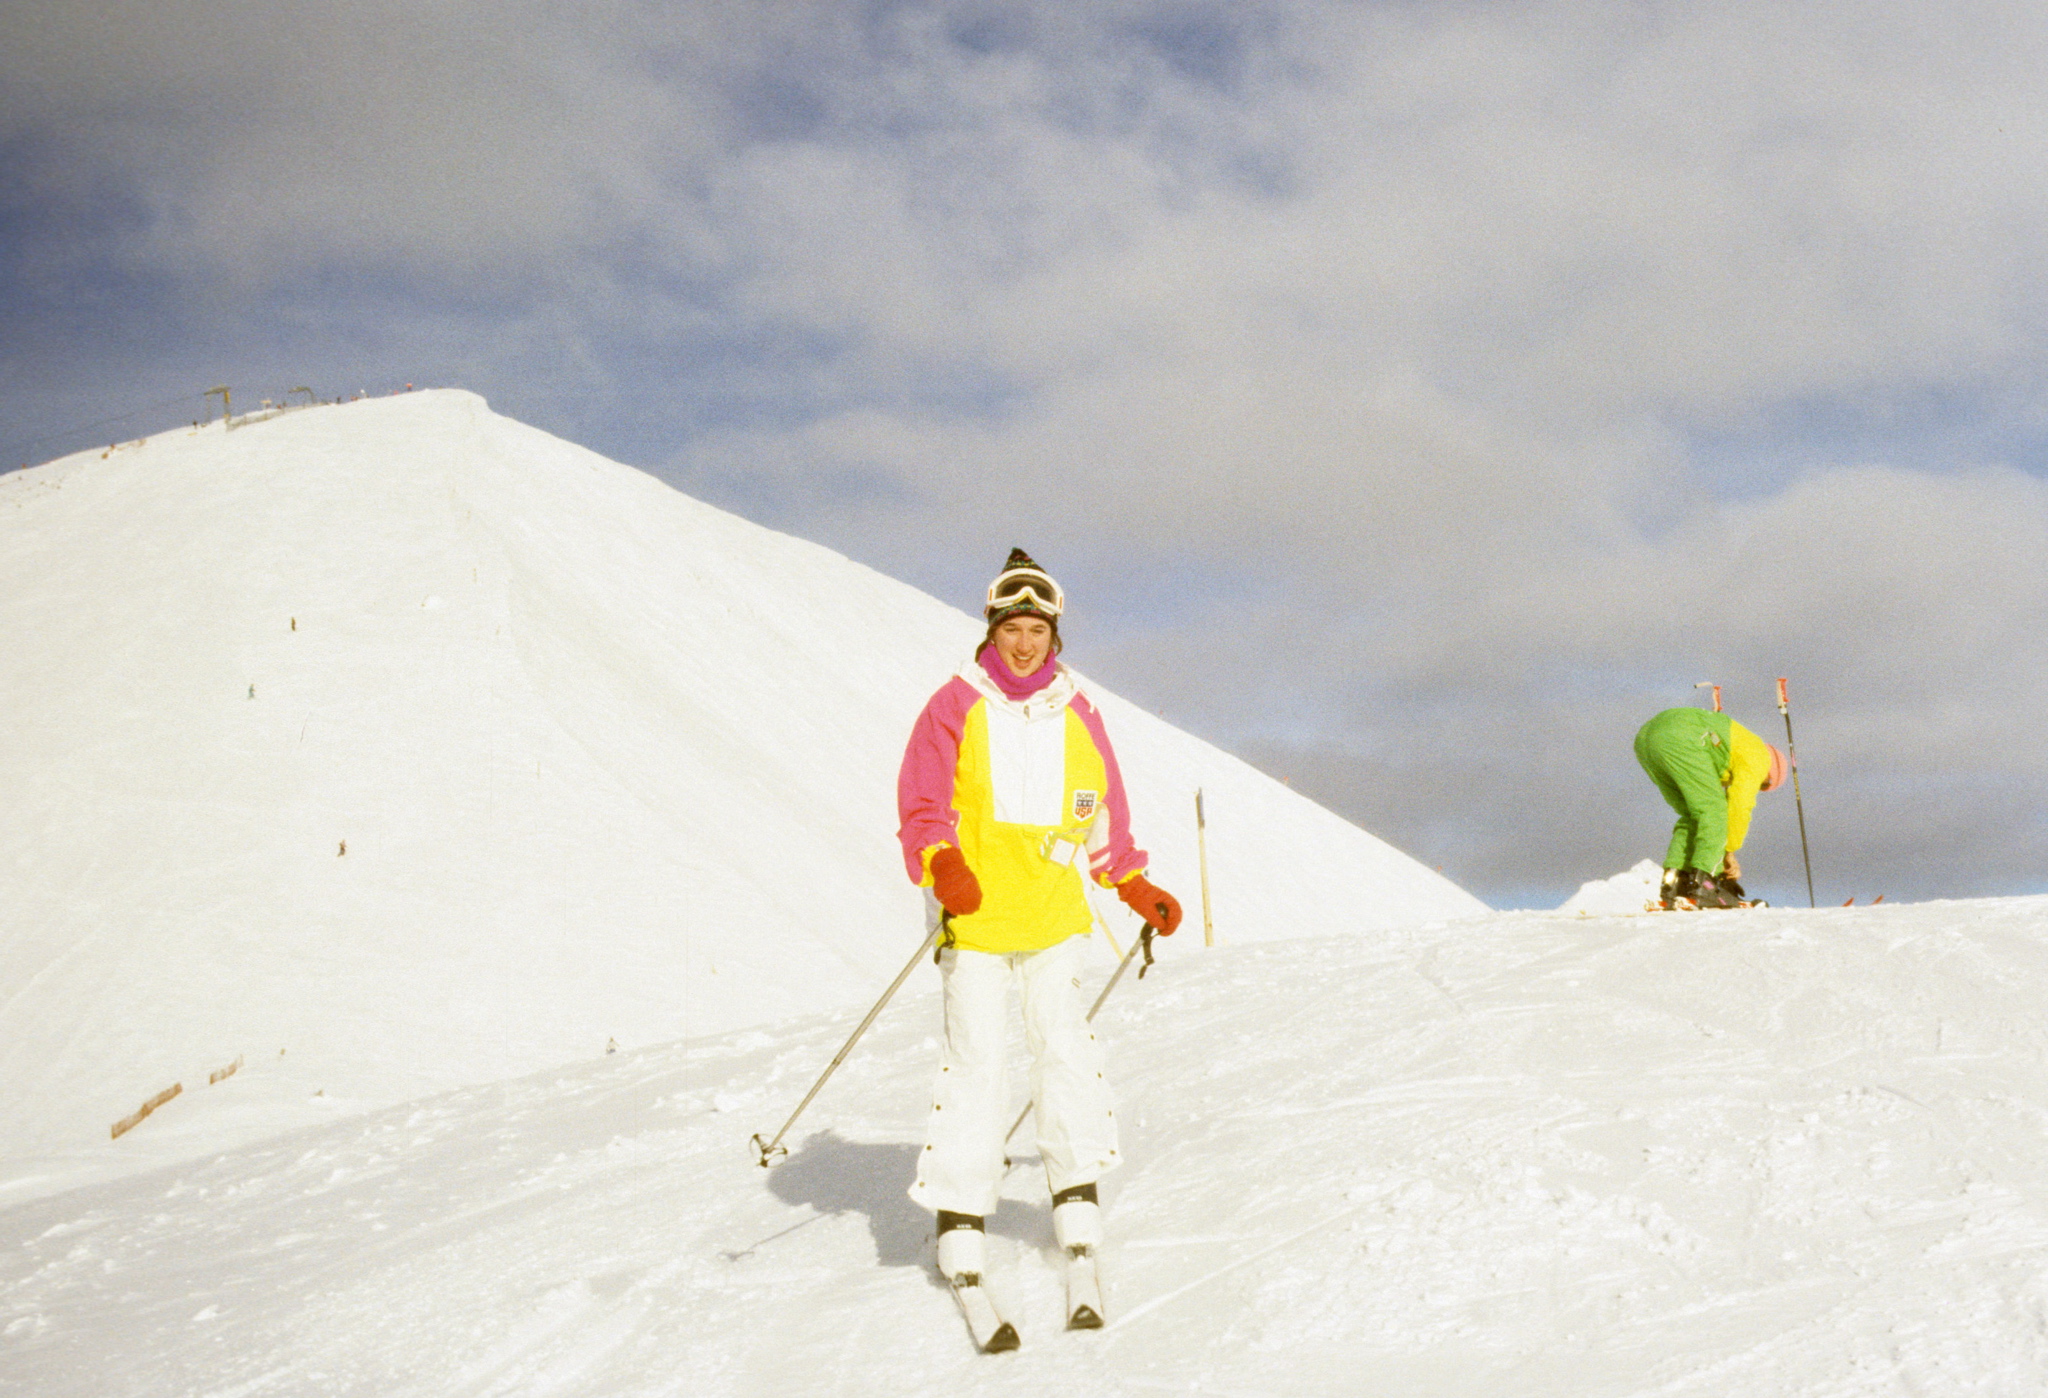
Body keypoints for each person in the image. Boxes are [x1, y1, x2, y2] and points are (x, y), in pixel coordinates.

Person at [896, 548, 1182, 1293]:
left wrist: (1132, 880)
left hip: (1055, 916)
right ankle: (960, 1208)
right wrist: (941, 862)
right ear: (992, 629)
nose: (1025, 641)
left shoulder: (1078, 713)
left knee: (1062, 1050)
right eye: (1012, 626)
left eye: (1038, 628)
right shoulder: (955, 703)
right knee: (978, 1062)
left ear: (1055, 636)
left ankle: (1075, 1191)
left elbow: (1103, 815)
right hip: (978, 915)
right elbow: (922, 803)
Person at [1634, 705, 1788, 908]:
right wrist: (1729, 851)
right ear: (1771, 775)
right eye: (1763, 786)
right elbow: (1739, 806)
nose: (1759, 787)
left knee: (1692, 815)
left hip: (1646, 741)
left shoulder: (1740, 746)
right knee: (1714, 811)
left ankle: (1674, 884)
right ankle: (1705, 886)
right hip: (1681, 736)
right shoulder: (1760, 757)